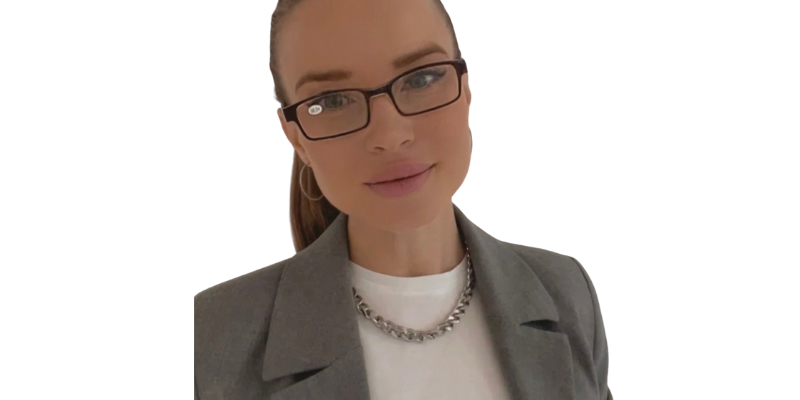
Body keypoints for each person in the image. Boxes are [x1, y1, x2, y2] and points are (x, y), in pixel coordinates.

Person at [194, 0, 612, 398]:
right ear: (296, 138)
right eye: (332, 101)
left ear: (466, 90)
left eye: (421, 79)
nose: (390, 136)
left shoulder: (565, 291)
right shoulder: (209, 339)